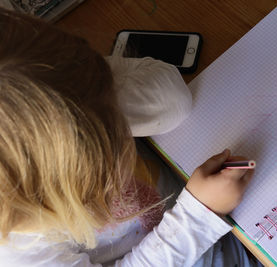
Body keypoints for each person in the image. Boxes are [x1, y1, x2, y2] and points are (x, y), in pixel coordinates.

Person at [0, 7, 258, 266]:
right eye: (114, 140)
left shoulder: (54, 93)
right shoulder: (22, 254)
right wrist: (198, 217)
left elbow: (173, 101)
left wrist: (91, 97)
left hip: (215, 210)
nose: (127, 138)